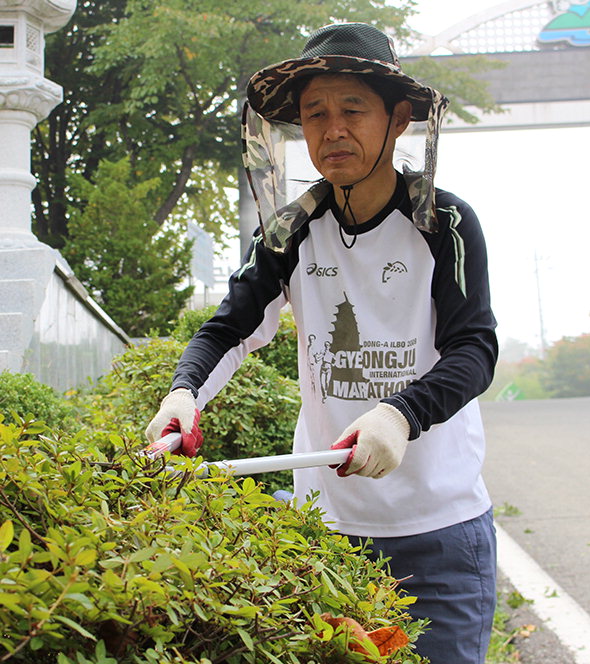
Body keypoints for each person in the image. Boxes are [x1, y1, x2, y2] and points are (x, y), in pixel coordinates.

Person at [146, 22, 498, 664]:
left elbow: (474, 350)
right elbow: (228, 329)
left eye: (351, 109)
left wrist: (399, 415)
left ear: (397, 119)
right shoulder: (291, 231)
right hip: (327, 534)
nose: (332, 129)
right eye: (315, 114)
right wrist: (183, 395)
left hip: (439, 531)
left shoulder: (444, 223)